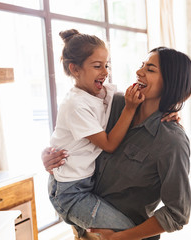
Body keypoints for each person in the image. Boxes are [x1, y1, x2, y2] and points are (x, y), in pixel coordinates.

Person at [42, 46, 191, 240]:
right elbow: (72, 122)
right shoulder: (115, 104)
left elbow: (177, 214)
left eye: (150, 69)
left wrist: (121, 238)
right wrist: (51, 154)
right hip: (83, 227)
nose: (139, 72)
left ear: (170, 82)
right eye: (142, 66)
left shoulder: (171, 141)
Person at [48, 29, 145, 239]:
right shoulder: (75, 104)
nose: (105, 71)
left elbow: (142, 95)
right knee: (128, 232)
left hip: (88, 182)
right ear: (75, 69)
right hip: (70, 191)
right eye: (97, 66)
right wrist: (129, 109)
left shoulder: (104, 92)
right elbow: (108, 144)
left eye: (107, 64)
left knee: (128, 231)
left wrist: (170, 111)